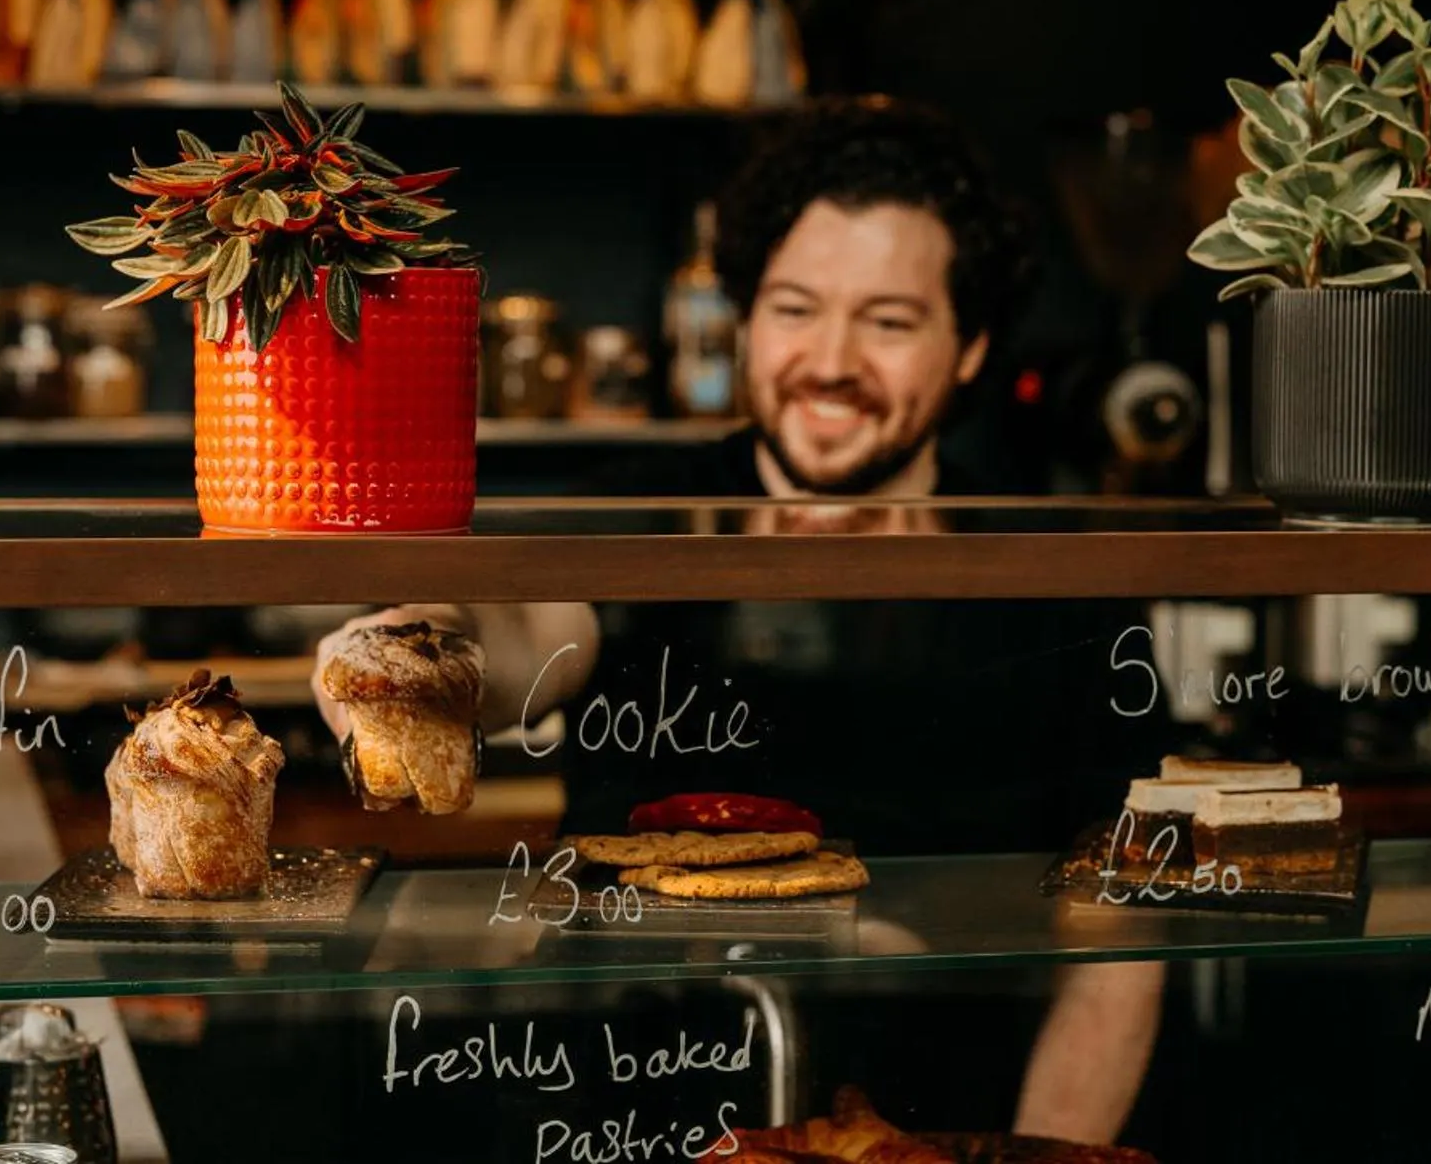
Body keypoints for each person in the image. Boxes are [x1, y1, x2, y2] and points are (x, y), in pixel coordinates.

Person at [315, 95, 1164, 1144]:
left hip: (938, 1136)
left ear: (971, 346)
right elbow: (525, 633)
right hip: (639, 1122)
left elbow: (1119, 944)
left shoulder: (1057, 573)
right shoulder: (641, 521)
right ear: (747, 315)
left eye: (889, 322)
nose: (831, 361)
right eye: (795, 308)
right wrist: (414, 648)